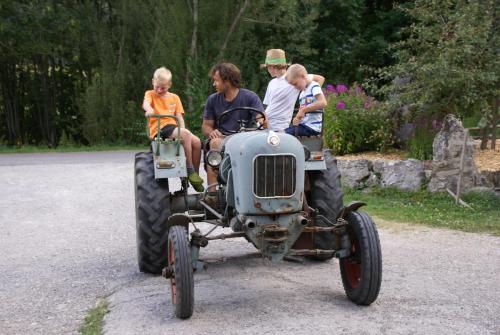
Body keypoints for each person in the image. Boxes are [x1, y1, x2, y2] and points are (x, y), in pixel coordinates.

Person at [202, 62, 264, 191]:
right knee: (214, 144)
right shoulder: (213, 99)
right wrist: (212, 132)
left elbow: (261, 119)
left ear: (227, 81)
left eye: (216, 81)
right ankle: (213, 194)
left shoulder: (250, 97)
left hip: (246, 139)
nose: (214, 84)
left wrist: (261, 121)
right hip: (223, 139)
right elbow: (206, 126)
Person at [142, 67, 204, 192]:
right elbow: (145, 103)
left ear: (169, 85)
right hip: (160, 128)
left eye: (163, 88)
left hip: (173, 128)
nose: (159, 90)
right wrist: (149, 110)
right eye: (157, 86)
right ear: (153, 81)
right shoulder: (150, 94)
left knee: (196, 142)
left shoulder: (174, 98)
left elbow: (179, 116)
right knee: (185, 135)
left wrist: (183, 131)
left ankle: (194, 176)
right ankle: (189, 169)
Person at [261, 49, 325, 131]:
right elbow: (266, 105)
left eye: (267, 67)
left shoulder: (294, 78)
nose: (267, 70)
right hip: (265, 124)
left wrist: (310, 96)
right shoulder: (272, 83)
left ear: (272, 66)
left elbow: (320, 79)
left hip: (279, 126)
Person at [284, 63, 327, 136]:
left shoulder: (314, 86)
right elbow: (302, 111)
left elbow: (323, 102)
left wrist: (303, 110)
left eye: (295, 84)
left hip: (312, 127)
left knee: (285, 134)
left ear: (303, 76)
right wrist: (298, 118)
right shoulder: (302, 93)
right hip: (304, 125)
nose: (295, 87)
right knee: (283, 133)